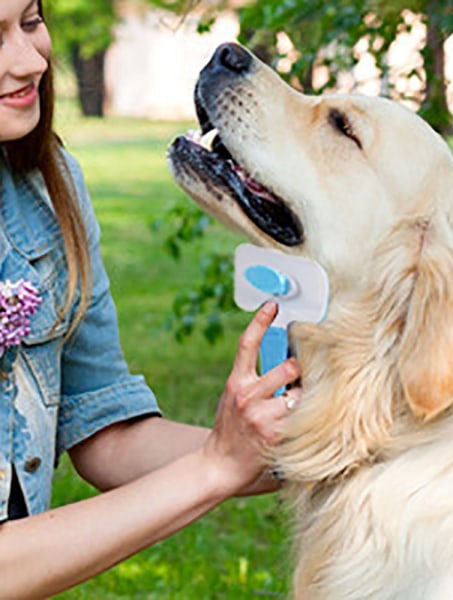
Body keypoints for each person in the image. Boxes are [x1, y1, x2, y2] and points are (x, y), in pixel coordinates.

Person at [0, 0, 302, 596]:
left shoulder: (45, 185)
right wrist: (213, 468)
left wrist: (302, 448)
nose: (30, 59)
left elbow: (105, 432)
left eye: (31, 22)